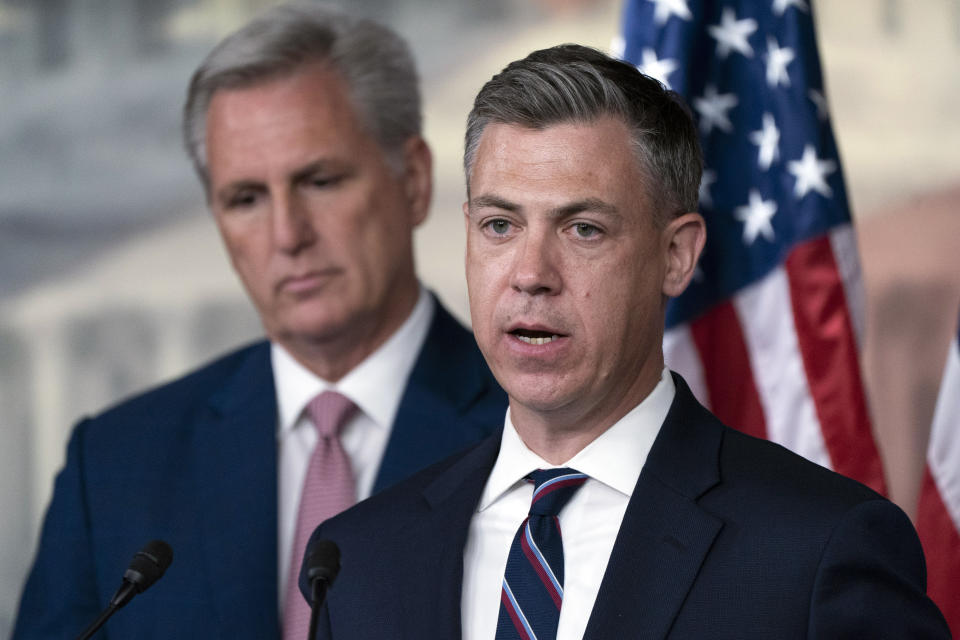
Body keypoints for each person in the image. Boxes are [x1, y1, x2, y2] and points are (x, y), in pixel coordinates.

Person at [299, 44, 950, 639]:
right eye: (500, 225)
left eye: (582, 229)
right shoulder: (358, 562)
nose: (530, 274)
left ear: (675, 255)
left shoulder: (819, 551)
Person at [12, 4, 505, 639]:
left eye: (320, 181)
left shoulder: (540, 436)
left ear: (411, 180)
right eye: (245, 199)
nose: (286, 234)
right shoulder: (111, 468)